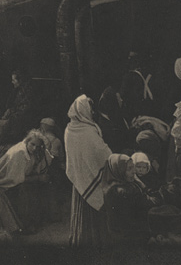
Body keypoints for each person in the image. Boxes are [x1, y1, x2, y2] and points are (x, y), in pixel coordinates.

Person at [64, 94, 112, 247]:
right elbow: (102, 153)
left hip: (80, 178)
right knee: (93, 211)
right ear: (83, 110)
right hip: (89, 175)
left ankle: (81, 238)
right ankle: (95, 241)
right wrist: (112, 158)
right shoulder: (87, 131)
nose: (92, 113)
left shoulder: (69, 129)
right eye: (90, 109)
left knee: (82, 210)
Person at [0, 130, 53, 234]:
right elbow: (17, 179)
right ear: (27, 142)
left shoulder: (36, 151)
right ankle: (26, 225)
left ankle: (40, 219)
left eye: (38, 146)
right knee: (26, 189)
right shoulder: (20, 153)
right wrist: (38, 177)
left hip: (22, 178)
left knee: (42, 185)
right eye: (32, 144)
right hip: (6, 183)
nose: (34, 148)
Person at [103, 153, 161, 246]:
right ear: (119, 170)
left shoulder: (109, 187)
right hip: (134, 237)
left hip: (115, 235)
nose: (134, 172)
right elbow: (155, 202)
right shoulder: (128, 191)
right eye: (129, 169)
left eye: (133, 167)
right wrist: (142, 185)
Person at [0, 69, 34, 156]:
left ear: (20, 80)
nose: (12, 82)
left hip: (19, 122)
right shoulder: (16, 91)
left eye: (14, 80)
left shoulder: (26, 93)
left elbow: (23, 111)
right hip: (13, 118)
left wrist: (9, 115)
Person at [96, 86, 131, 153]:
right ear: (113, 101)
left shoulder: (116, 115)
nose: (121, 100)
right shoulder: (105, 125)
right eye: (119, 98)